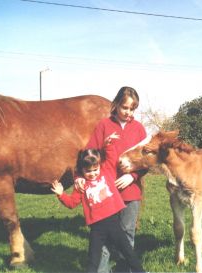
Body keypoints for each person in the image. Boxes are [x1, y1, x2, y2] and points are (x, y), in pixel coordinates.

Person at [75, 86, 147, 273]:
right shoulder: (104, 126)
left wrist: (132, 177)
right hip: (105, 194)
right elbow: (87, 156)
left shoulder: (139, 130)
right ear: (116, 105)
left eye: (132, 109)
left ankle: (125, 270)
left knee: (127, 233)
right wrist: (79, 177)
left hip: (131, 191)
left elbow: (146, 162)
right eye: (125, 108)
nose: (129, 113)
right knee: (104, 238)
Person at [51, 146, 145, 273]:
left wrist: (109, 145)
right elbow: (72, 203)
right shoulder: (81, 185)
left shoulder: (107, 173)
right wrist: (61, 194)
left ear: (100, 166)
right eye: (88, 171)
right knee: (93, 259)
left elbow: (112, 159)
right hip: (97, 229)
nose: (93, 173)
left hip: (114, 225)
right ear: (81, 170)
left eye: (95, 169)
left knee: (128, 252)